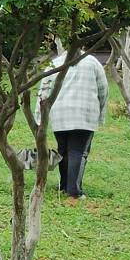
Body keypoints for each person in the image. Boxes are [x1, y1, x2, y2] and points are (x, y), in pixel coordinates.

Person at [38, 49, 108, 202]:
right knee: (78, 151)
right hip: (85, 114)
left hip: (59, 114)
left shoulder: (55, 63)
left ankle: (64, 186)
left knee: (63, 150)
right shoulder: (93, 62)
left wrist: (39, 118)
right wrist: (101, 113)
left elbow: (43, 91)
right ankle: (74, 192)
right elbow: (103, 90)